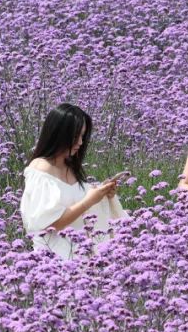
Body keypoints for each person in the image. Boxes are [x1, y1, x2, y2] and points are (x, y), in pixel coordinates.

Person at [20, 103, 127, 259]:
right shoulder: (41, 169)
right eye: (76, 136)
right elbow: (48, 225)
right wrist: (89, 201)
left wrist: (104, 195)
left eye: (83, 136)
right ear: (59, 134)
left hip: (83, 255)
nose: (80, 142)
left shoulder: (70, 166)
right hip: (57, 261)